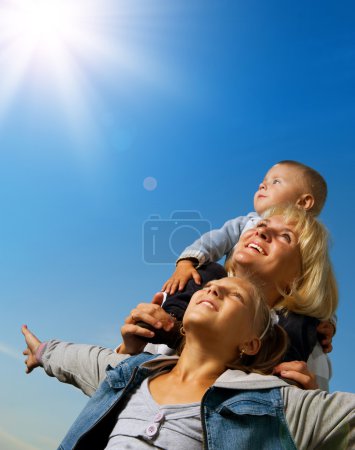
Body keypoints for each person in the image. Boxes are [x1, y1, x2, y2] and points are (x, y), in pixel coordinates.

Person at [22, 277, 354, 450]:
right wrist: (42, 353)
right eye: (210, 287)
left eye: (234, 295)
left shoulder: (278, 405)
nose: (213, 291)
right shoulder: (131, 373)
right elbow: (75, 358)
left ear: (251, 343)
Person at [136, 206, 337, 389]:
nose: (262, 231)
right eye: (261, 224)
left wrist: (310, 397)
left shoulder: (308, 346)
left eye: (286, 237)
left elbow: (318, 421)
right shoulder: (197, 298)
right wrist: (129, 348)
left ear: (301, 276)